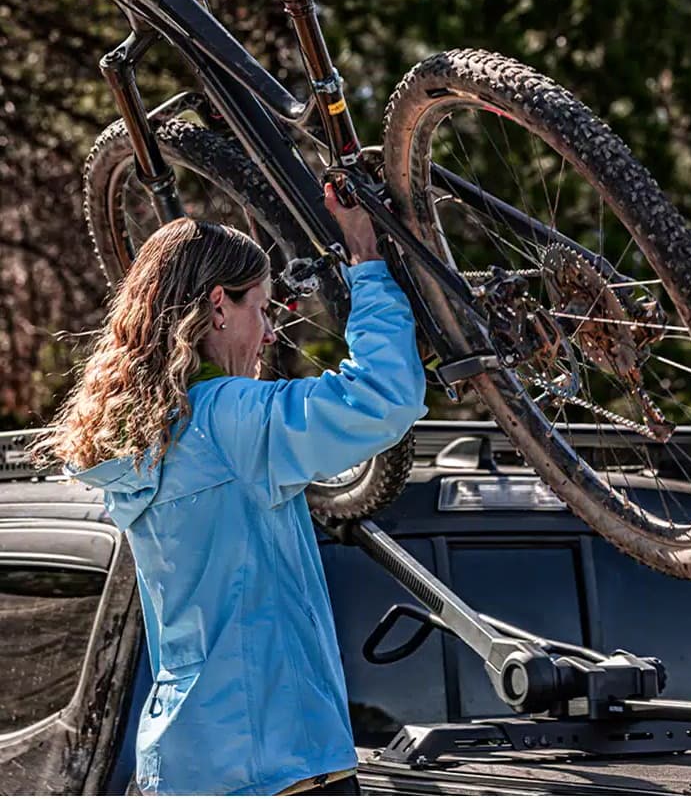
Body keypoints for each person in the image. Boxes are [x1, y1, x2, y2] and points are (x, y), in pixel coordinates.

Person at [40, 184, 426, 796]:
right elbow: (384, 397)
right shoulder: (229, 420)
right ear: (218, 306)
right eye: (262, 309)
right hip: (279, 765)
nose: (270, 334)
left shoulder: (139, 438)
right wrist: (367, 263)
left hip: (185, 766)